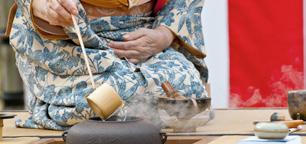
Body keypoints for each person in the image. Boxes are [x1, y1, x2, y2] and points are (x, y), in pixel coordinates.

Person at [6, 0, 208, 130]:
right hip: (69, 41)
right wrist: (44, 6)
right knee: (104, 98)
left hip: (141, 36)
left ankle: (143, 104)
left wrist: (164, 34)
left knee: (189, 86)